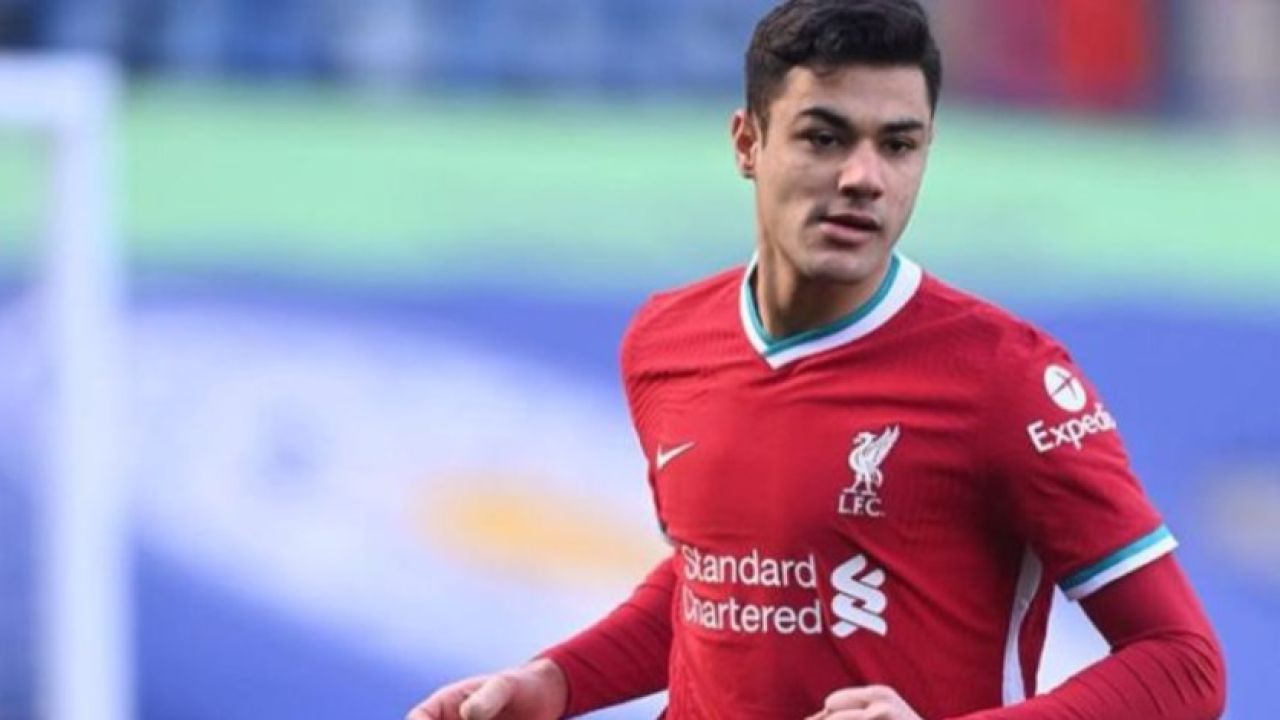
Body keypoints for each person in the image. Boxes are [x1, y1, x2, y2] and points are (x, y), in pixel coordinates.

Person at [408, 1, 1226, 718]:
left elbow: (1184, 664)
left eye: (898, 145)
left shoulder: (1006, 378)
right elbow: (722, 579)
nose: (864, 177)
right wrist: (556, 681)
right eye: (824, 138)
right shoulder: (664, 343)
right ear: (747, 142)